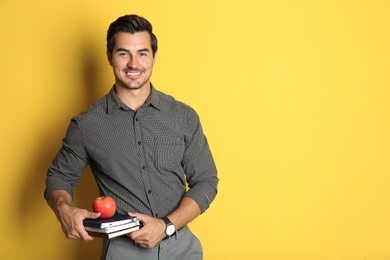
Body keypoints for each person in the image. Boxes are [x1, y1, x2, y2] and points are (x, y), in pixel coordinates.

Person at [44, 14, 218, 260]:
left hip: (182, 247)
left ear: (154, 57)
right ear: (109, 56)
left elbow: (206, 180)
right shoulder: (86, 125)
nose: (134, 63)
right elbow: (59, 176)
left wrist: (167, 225)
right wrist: (64, 209)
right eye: (123, 53)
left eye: (142, 53)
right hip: (124, 251)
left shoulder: (183, 116)